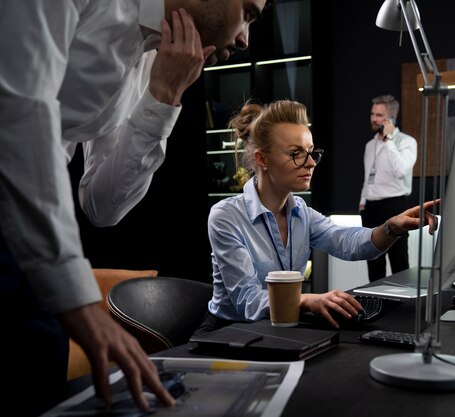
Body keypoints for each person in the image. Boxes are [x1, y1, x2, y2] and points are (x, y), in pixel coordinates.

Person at [0, 1, 270, 415]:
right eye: (248, 14)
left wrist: (164, 96)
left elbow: (102, 205)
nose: (244, 39)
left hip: (26, 244)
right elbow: (17, 114)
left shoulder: (149, 60)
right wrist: (79, 301)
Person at [194, 100, 438, 334]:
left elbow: (349, 242)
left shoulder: (301, 212)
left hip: (280, 326)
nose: (311, 163)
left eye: (312, 153)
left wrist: (392, 227)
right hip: (227, 331)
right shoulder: (226, 216)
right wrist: (308, 300)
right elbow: (247, 300)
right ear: (262, 159)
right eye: (296, 153)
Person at [359, 94, 418, 282]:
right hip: (370, 208)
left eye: (379, 115)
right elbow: (368, 175)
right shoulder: (369, 145)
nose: (373, 119)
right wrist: (362, 202)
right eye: (372, 114)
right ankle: (376, 306)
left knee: (399, 262)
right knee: (373, 263)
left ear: (391, 118)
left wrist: (389, 139)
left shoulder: (407, 142)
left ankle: (403, 308)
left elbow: (401, 170)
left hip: (395, 206)